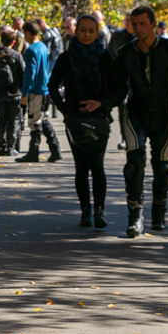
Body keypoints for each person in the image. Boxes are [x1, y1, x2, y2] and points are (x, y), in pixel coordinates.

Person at [113, 6, 168, 237]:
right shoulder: (125, 53)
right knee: (135, 164)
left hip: (163, 115)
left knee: (162, 167)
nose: (138, 28)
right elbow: (115, 89)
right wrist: (99, 106)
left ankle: (159, 215)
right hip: (134, 115)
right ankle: (135, 217)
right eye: (135, 24)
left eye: (143, 23)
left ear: (153, 24)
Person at [48, 15, 114, 228]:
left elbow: (118, 88)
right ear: (76, 32)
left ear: (97, 33)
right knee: (81, 166)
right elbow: (52, 86)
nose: (86, 34)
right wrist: (65, 109)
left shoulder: (105, 57)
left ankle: (99, 211)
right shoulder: (66, 58)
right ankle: (85, 210)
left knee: (97, 165)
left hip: (99, 119)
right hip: (75, 120)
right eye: (83, 30)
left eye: (91, 31)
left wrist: (101, 103)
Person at [16, 20, 62, 163]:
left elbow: (30, 73)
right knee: (44, 118)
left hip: (36, 90)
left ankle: (33, 152)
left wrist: (24, 93)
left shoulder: (31, 50)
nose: (24, 36)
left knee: (34, 120)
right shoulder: (42, 46)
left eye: (24, 33)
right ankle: (55, 149)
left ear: (28, 33)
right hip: (45, 88)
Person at [0, 28, 26, 156]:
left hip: (0, 93)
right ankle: (11, 148)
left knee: (1, 121)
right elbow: (23, 74)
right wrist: (24, 91)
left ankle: (1, 147)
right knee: (14, 121)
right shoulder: (16, 55)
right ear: (13, 41)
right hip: (14, 93)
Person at [108, 11, 134, 151]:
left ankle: (136, 138)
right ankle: (125, 139)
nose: (129, 23)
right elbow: (109, 55)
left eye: (131, 20)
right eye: (127, 20)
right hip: (121, 81)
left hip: (137, 83)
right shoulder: (118, 36)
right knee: (123, 110)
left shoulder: (142, 38)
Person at [36, 17, 62, 118]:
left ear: (41, 25)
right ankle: (54, 110)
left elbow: (47, 50)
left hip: (50, 61)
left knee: (47, 85)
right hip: (57, 60)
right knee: (54, 85)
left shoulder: (47, 34)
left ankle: (46, 109)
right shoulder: (55, 31)